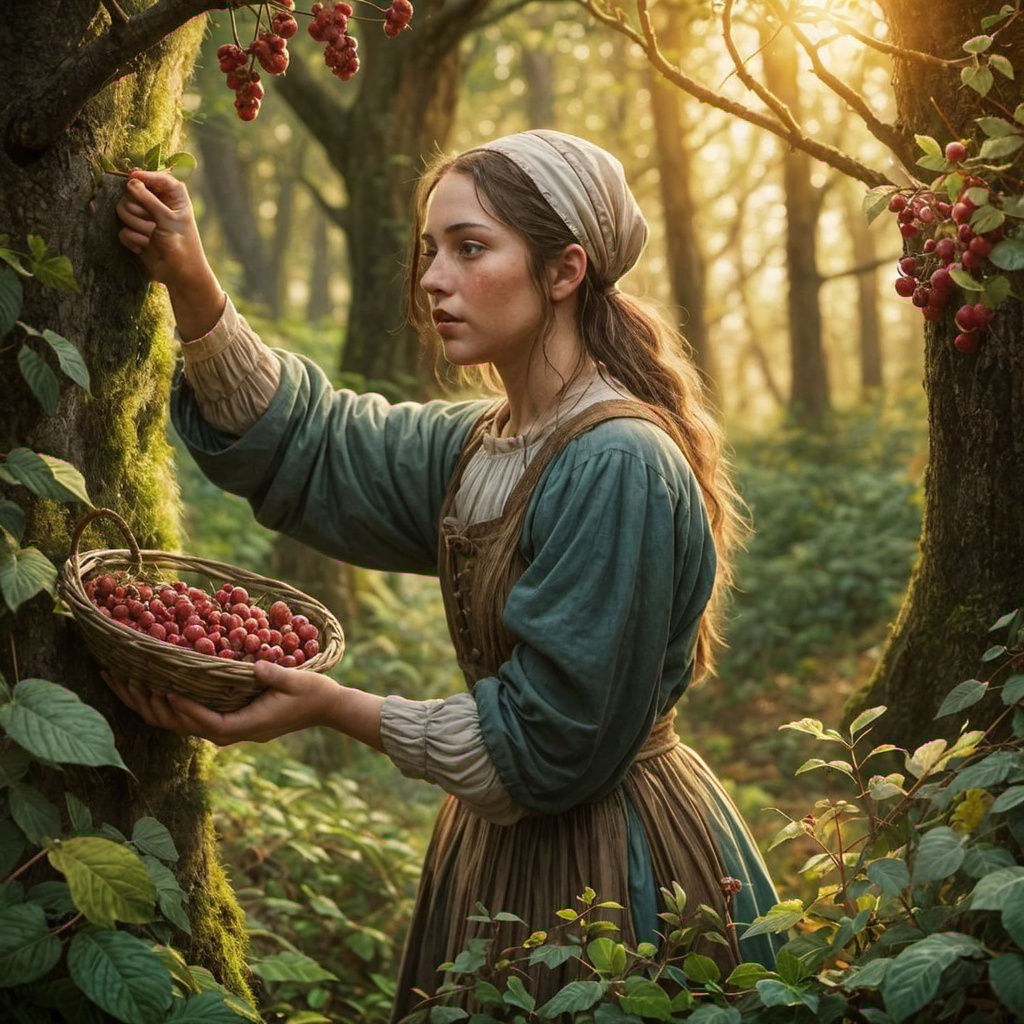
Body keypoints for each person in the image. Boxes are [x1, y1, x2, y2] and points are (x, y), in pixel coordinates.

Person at [111, 130, 781, 1019]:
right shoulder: (480, 444)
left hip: (615, 864)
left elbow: (553, 744)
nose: (433, 278)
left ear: (564, 270)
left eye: (470, 248)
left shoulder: (617, 460)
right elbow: (320, 447)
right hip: (492, 851)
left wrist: (335, 708)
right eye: (432, 250)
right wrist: (191, 285)